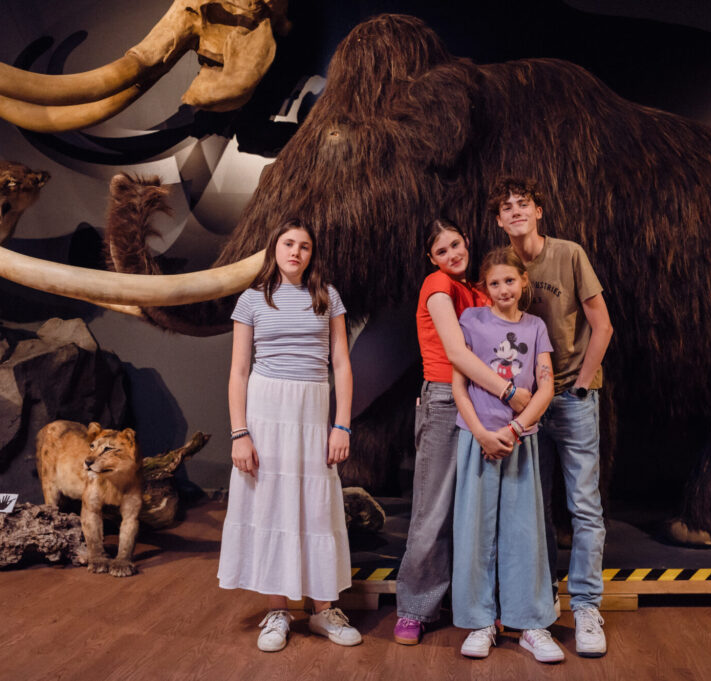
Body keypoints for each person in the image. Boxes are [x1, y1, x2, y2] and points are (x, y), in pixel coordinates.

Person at [217, 219, 361, 652]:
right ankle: (278, 610)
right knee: (270, 505)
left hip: (312, 409)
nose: (295, 252)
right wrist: (239, 433)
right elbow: (238, 370)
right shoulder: (252, 299)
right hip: (266, 410)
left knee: (316, 508)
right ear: (275, 249)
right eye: (288, 243)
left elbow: (341, 364)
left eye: (304, 246)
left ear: (311, 254)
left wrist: (341, 424)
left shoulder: (327, 296)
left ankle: (323, 611)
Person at [488, 176, 614, 657]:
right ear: (499, 220)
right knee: (532, 508)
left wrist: (580, 384)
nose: (516, 211)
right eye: (507, 207)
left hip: (572, 397)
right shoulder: (501, 266)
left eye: (523, 203)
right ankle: (540, 603)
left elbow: (602, 325)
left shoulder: (569, 254)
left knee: (584, 505)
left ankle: (586, 606)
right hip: (524, 404)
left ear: (538, 211)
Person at [394, 218, 533, 645]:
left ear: (467, 241)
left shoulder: (477, 290)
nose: (452, 254)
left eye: (456, 244)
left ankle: (478, 606)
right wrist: (510, 392)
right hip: (445, 398)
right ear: (431, 258)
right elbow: (455, 352)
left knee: (479, 511)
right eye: (442, 251)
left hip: (483, 401)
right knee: (433, 508)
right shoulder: (438, 284)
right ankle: (415, 609)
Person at [451, 246, 561, 663]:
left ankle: (530, 623)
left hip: (520, 441)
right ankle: (480, 622)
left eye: (510, 281)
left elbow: (546, 386)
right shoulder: (471, 320)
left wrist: (516, 429)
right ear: (485, 288)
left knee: (524, 532)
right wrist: (481, 433)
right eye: (494, 283)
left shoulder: (535, 327)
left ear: (523, 281)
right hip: (477, 440)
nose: (503, 289)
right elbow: (459, 385)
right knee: (475, 532)